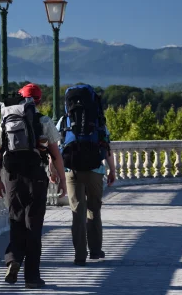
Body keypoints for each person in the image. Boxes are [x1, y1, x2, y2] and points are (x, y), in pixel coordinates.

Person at [0, 83, 67, 289]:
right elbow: (55, 154)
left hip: (12, 176)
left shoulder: (6, 119)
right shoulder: (44, 121)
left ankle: (13, 258)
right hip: (36, 176)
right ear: (39, 101)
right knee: (33, 226)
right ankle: (32, 277)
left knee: (16, 220)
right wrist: (62, 179)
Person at [54, 85, 116, 266]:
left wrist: (54, 171)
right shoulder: (98, 120)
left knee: (77, 213)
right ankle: (95, 251)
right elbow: (106, 147)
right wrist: (112, 170)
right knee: (94, 210)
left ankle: (79, 256)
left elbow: (57, 148)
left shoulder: (64, 120)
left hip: (72, 171)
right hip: (95, 171)